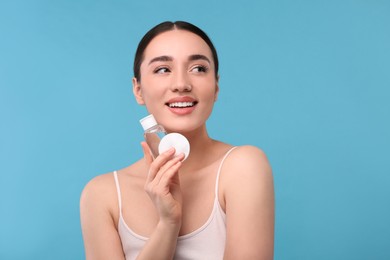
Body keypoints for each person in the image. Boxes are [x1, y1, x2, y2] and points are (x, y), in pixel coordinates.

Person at [80, 21, 274, 260]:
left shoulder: (243, 167)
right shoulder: (102, 195)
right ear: (138, 89)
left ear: (216, 87)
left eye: (198, 68)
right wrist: (168, 225)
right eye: (163, 69)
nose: (181, 84)